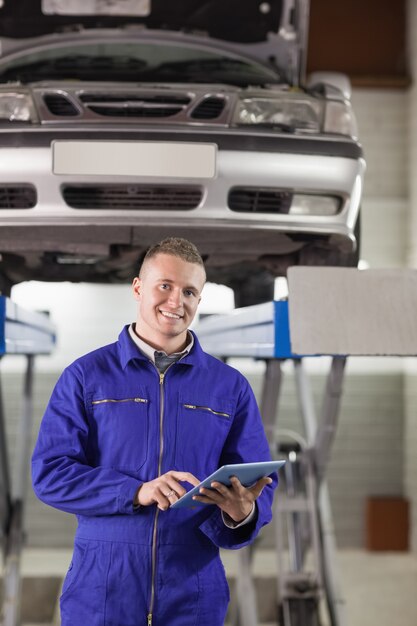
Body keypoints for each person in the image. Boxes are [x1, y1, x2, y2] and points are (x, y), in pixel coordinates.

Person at [32, 237, 277, 626]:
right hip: (103, 588)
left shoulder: (229, 387)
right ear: (138, 288)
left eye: (190, 291)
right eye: (165, 285)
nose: (176, 301)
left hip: (193, 591)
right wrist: (135, 491)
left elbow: (258, 483)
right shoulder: (85, 376)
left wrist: (241, 512)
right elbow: (50, 474)